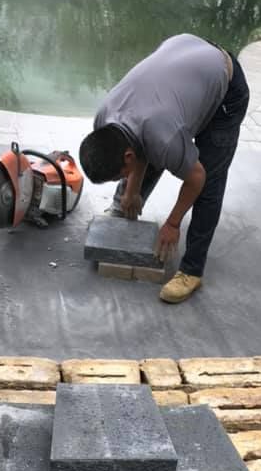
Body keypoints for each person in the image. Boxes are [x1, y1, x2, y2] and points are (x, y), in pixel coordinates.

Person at [79, 33, 250, 304]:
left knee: (210, 179)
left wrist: (172, 223)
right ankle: (124, 207)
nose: (121, 178)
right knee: (152, 147)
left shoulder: (163, 136)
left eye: (119, 176)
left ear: (127, 157)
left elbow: (197, 177)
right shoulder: (105, 117)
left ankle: (192, 271)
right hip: (186, 59)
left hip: (225, 88)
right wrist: (131, 190)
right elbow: (138, 145)